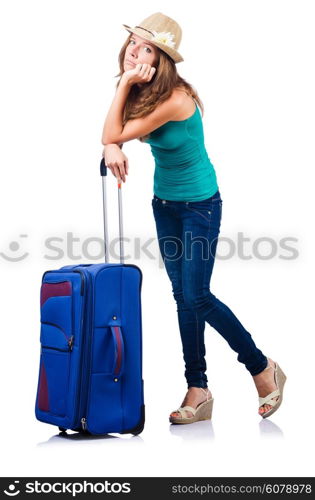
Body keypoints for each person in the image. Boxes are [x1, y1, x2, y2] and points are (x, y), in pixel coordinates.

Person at [102, 12, 286, 423]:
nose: (136, 50)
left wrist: (113, 137)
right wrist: (113, 134)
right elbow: (111, 133)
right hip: (164, 204)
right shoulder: (140, 90)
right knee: (182, 297)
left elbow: (113, 133)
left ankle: (260, 367)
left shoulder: (175, 99)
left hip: (200, 205)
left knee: (197, 295)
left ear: (162, 59)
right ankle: (198, 389)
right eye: (134, 42)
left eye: (147, 48)